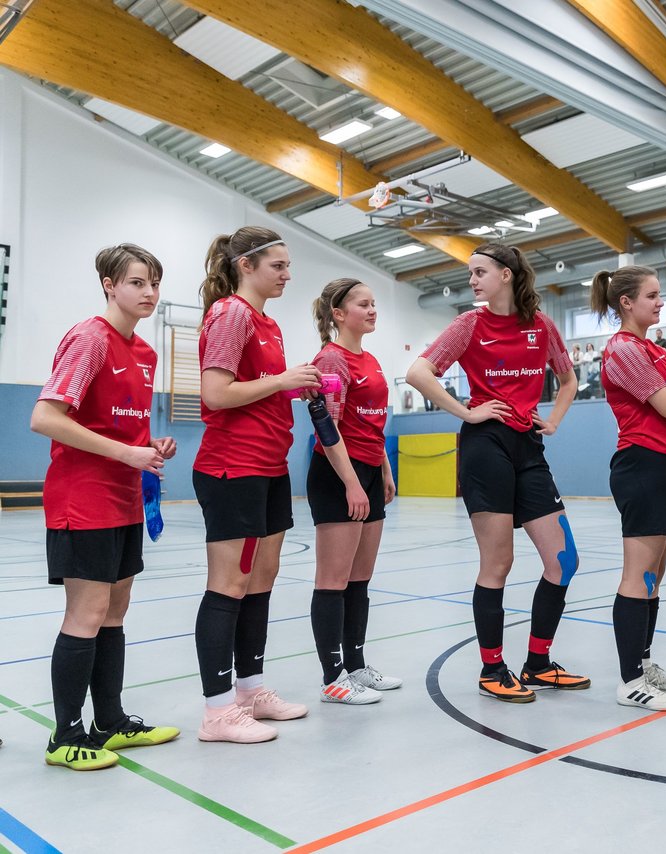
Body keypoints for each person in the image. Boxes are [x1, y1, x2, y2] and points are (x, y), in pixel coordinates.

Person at [405, 242, 588, 703]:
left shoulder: (542, 326)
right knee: (498, 563)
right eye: (470, 273)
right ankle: (491, 669)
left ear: (507, 274)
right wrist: (466, 414)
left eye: (480, 271)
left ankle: (539, 663)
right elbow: (418, 373)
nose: (472, 279)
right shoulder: (468, 324)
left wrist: (557, 418)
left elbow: (568, 380)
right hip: (485, 445)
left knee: (563, 561)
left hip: (528, 445)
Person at [30, 244, 180, 770]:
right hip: (83, 498)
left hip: (124, 500)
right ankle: (65, 736)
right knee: (86, 613)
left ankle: (109, 722)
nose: (149, 293)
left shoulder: (144, 353)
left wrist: (151, 446)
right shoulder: (90, 339)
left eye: (154, 283)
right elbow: (45, 417)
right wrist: (124, 451)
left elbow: (120, 428)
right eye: (137, 282)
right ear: (108, 284)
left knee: (115, 611)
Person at [192, 226, 317, 744]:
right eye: (278, 266)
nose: (287, 275)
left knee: (261, 580)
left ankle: (249, 689)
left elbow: (257, 391)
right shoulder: (231, 313)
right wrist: (284, 381)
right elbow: (216, 393)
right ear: (246, 265)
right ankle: (218, 711)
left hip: (269, 465)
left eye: (288, 266)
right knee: (229, 584)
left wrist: (293, 386)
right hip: (232, 467)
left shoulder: (266, 322)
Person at [592, 265, 666, 711]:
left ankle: (643, 660)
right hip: (640, 464)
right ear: (626, 302)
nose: (660, 303)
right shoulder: (622, 350)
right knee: (638, 575)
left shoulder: (654, 350)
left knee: (655, 576)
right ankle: (629, 680)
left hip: (665, 467)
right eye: (652, 296)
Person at [307, 279, 401, 706]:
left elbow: (373, 422)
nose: (372, 310)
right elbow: (327, 428)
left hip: (368, 471)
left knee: (360, 579)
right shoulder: (331, 358)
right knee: (334, 579)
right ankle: (332, 677)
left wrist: (382, 469)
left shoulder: (374, 360)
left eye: (374, 303)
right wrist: (349, 482)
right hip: (336, 474)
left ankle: (356, 665)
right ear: (338, 314)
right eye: (363, 304)